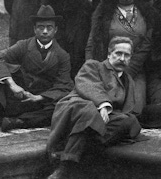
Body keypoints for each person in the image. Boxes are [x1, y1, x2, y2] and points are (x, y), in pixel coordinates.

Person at [45, 37, 146, 179]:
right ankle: (65, 168)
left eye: (126, 55)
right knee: (89, 111)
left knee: (128, 121)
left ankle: (77, 150)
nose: (122, 58)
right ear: (109, 54)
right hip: (78, 109)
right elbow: (88, 85)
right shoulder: (94, 66)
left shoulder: (128, 80)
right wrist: (103, 104)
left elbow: (125, 110)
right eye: (118, 53)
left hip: (103, 121)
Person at [0, 5, 73, 131]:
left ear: (55, 30)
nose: (45, 31)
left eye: (49, 27)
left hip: (40, 102)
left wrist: (39, 97)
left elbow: (64, 86)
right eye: (40, 27)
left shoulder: (62, 56)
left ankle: (18, 122)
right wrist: (12, 84)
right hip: (20, 96)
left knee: (62, 108)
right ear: (34, 29)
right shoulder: (24, 46)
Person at [85, 0, 156, 100]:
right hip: (107, 69)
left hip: (135, 69)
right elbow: (92, 44)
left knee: (135, 106)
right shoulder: (103, 14)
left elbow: (146, 47)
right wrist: (92, 71)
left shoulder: (147, 15)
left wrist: (128, 72)